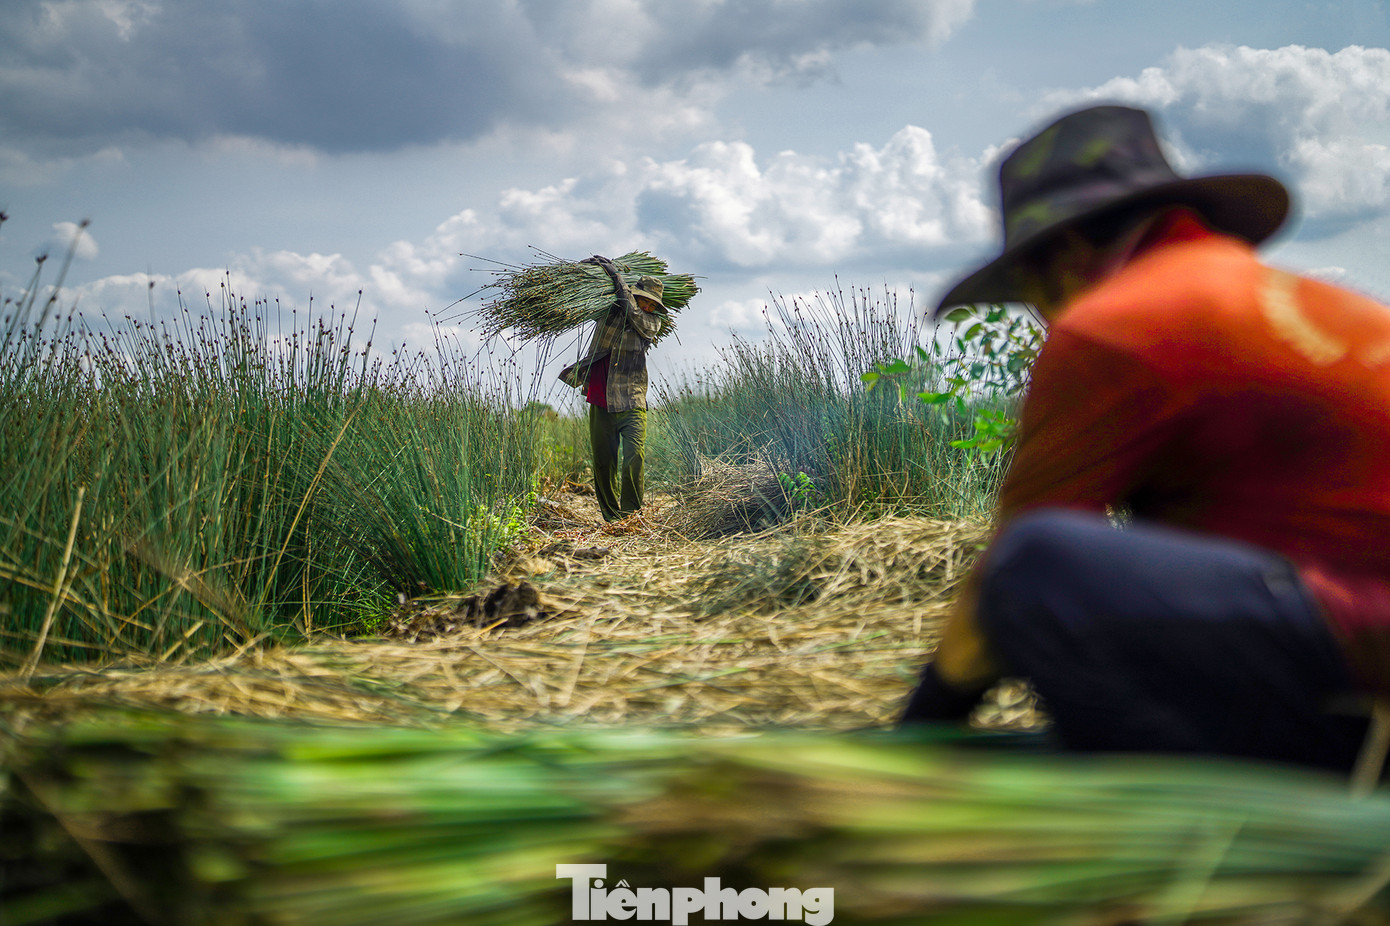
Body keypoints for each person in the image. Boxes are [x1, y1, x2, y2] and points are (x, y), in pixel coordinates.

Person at [900, 104, 1390, 774]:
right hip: (1348, 626)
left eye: (1032, 294)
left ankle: (1224, 808)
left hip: (1367, 660)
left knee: (1035, 563)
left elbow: (996, 596)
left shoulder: (1115, 326)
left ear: (1065, 256)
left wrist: (912, 746)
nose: (1044, 319)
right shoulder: (1326, 304)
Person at [559, 255, 665, 521]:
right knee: (603, 463)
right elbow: (586, 306)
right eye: (646, 301)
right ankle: (611, 517)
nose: (649, 307)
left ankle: (630, 516)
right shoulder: (609, 309)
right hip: (601, 396)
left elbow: (636, 316)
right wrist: (592, 277)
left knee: (634, 458)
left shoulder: (652, 323)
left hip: (632, 398)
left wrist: (617, 278)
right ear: (637, 295)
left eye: (654, 305)